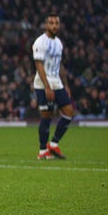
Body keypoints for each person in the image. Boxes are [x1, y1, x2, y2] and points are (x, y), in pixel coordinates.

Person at [32, 14, 74, 160]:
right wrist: (47, 87)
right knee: (47, 116)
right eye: (51, 23)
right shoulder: (40, 42)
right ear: (46, 25)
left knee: (69, 112)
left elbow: (60, 65)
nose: (54, 25)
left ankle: (54, 144)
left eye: (56, 23)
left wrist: (66, 85)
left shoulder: (58, 43)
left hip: (57, 82)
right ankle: (42, 151)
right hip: (43, 83)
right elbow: (39, 65)